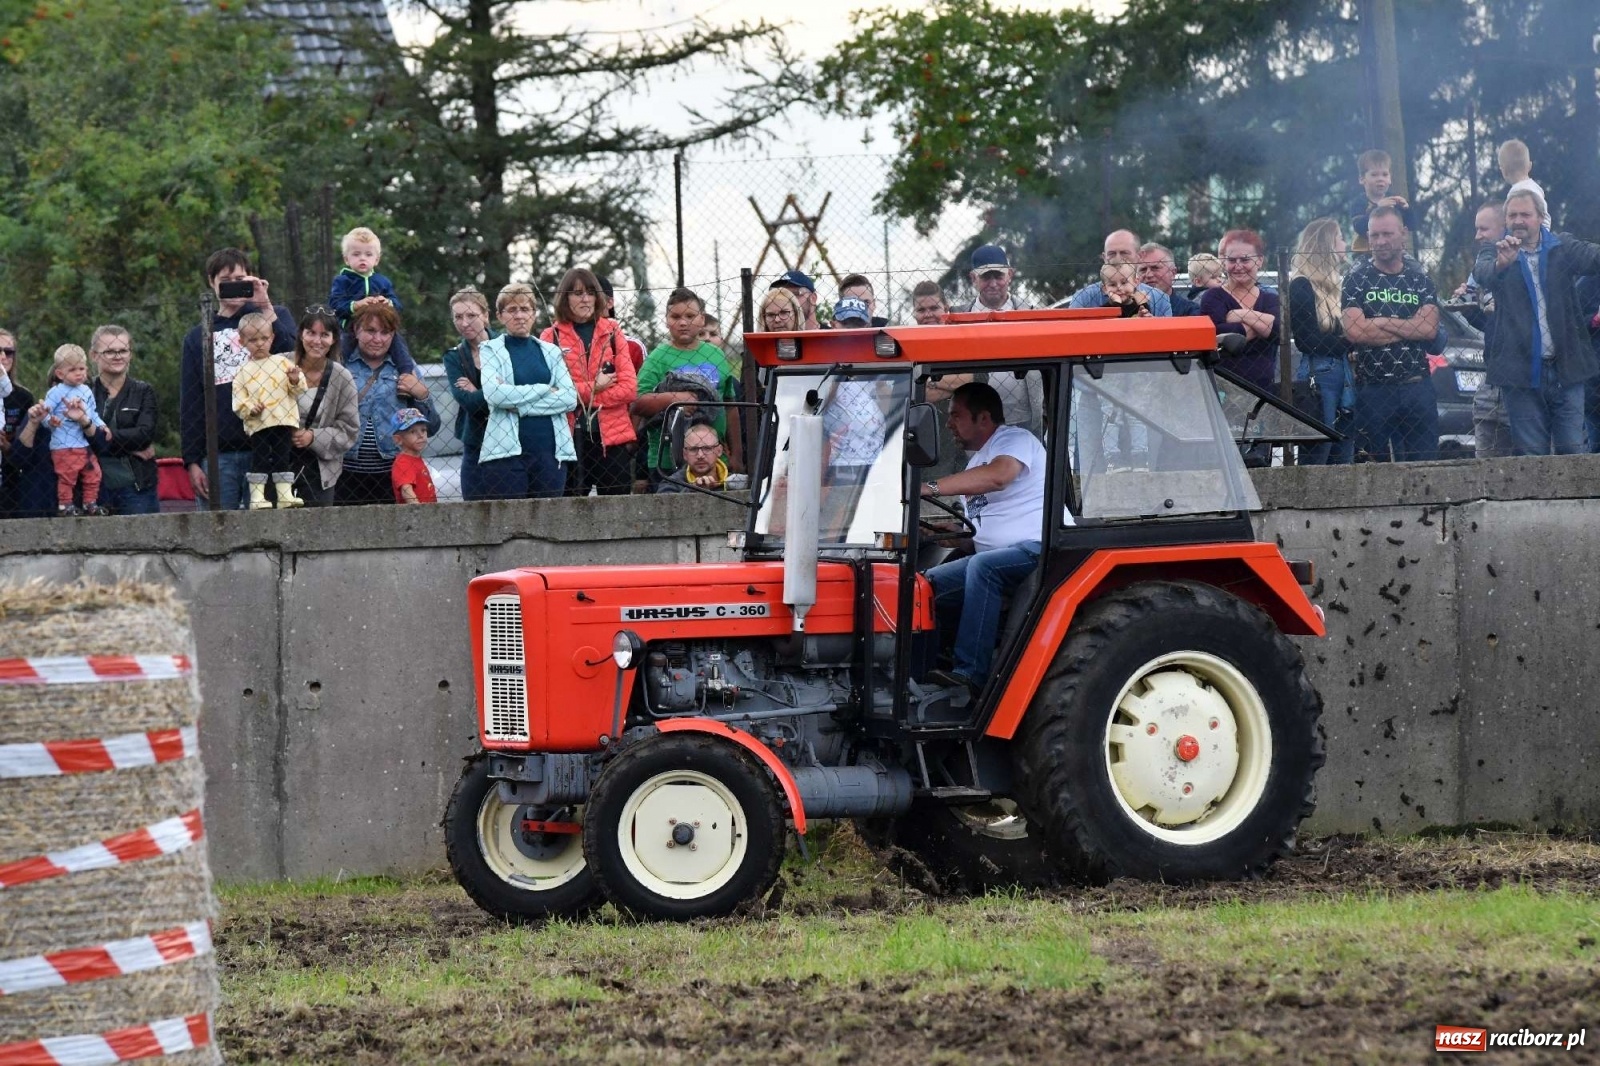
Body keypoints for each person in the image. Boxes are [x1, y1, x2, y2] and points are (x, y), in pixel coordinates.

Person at [920, 382, 1045, 694]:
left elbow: (999, 477)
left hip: (1039, 549)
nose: (948, 423)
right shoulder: (975, 464)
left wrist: (929, 488)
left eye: (956, 415)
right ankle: (919, 676)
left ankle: (970, 673)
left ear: (984, 418)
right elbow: (984, 529)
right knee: (923, 586)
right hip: (997, 557)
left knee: (983, 567)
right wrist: (953, 536)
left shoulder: (1014, 440)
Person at [1472, 188, 1600, 456]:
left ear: (1541, 217)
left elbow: (1592, 257)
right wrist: (1501, 264)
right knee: (1532, 455)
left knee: (1573, 450)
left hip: (1566, 369)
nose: (1518, 220)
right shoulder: (1495, 250)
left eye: (1525, 214)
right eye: (1512, 215)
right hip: (1521, 373)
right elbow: (1482, 273)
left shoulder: (1561, 246)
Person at [180, 248, 297, 510]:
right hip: (219, 453)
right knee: (217, 525)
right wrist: (192, 461)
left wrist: (264, 306)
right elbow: (191, 400)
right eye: (226, 281)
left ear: (252, 279)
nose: (233, 287)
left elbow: (293, 356)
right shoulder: (199, 336)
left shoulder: (274, 317)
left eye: (240, 280)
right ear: (211, 282)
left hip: (268, 446)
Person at [1342, 205, 1441, 462]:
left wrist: (1379, 322)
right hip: (1374, 389)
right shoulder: (1356, 279)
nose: (1380, 241)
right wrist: (1409, 326)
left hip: (1417, 386)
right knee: (1375, 468)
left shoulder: (1419, 278)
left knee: (1425, 464)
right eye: (1374, 235)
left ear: (1403, 233)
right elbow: (1355, 332)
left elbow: (1429, 329)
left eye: (1387, 234)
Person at [475, 283, 577, 499]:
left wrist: (519, 405)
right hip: (505, 455)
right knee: (510, 518)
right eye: (512, 310)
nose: (519, 316)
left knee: (548, 517)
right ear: (500, 316)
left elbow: (569, 398)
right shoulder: (490, 350)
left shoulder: (551, 352)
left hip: (551, 453)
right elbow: (494, 395)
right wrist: (545, 389)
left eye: (525, 309)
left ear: (534, 313)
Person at [541, 267, 637, 496]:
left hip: (612, 439)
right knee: (569, 507)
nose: (585, 299)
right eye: (577, 293)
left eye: (591, 293)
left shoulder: (612, 330)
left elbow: (629, 389)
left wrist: (577, 395)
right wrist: (597, 386)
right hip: (569, 438)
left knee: (617, 508)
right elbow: (551, 393)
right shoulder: (550, 336)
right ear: (565, 298)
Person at [633, 287, 742, 484]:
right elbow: (638, 404)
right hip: (667, 462)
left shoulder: (716, 354)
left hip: (716, 460)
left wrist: (737, 455)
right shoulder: (657, 358)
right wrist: (675, 399)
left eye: (690, 316)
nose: (683, 322)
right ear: (667, 321)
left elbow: (730, 407)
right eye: (675, 317)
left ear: (702, 319)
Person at [338, 303, 439, 505]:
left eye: (385, 332)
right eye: (370, 331)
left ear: (393, 335)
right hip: (343, 471)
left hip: (393, 474)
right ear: (356, 330)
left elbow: (433, 426)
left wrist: (421, 394)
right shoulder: (341, 364)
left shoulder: (406, 367)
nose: (378, 339)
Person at [1288, 218, 1356, 465]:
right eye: (1341, 238)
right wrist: (1350, 342)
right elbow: (1307, 340)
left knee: (1344, 452)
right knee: (1318, 451)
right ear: (1327, 245)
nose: (1345, 244)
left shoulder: (1339, 285)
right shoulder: (1301, 284)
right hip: (1319, 373)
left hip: (1344, 371)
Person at [1452, 203, 1512, 459]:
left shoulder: (1522, 263)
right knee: (1486, 455)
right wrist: (1469, 307)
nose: (1478, 236)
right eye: (1476, 229)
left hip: (1523, 378)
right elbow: (1491, 324)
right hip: (1492, 375)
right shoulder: (1482, 263)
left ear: (1504, 227)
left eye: (1484, 229)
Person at [231, 312, 307, 509]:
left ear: (272, 338)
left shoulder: (283, 363)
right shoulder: (242, 372)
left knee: (283, 458)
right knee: (260, 459)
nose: (259, 343)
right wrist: (250, 407)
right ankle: (257, 498)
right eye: (253, 340)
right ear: (241, 341)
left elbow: (298, 390)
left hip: (283, 421)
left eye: (264, 338)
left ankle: (284, 495)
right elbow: (238, 400)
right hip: (259, 424)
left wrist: (294, 379)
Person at [288, 307, 359, 506]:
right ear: (301, 334)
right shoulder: (279, 365)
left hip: (319, 471)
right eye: (311, 333)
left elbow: (349, 430)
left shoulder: (342, 377)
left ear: (334, 339)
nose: (317, 341)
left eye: (324, 335)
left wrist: (313, 437)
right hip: (277, 463)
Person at [87, 325, 160, 514]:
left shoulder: (143, 391)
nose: (118, 356)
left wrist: (101, 439)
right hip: (92, 489)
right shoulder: (83, 391)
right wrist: (128, 445)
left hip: (136, 489)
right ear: (94, 355)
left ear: (130, 354)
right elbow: (75, 437)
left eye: (123, 350)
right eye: (110, 351)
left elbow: (144, 435)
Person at [1201, 228, 1281, 392]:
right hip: (1225, 388)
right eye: (1231, 260)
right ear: (1223, 262)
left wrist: (1239, 314)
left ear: (1259, 261)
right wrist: (1262, 325)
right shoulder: (1213, 297)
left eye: (1245, 260)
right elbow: (1217, 335)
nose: (1238, 266)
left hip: (1265, 391)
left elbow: (1279, 331)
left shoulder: (1271, 298)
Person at [329, 226, 416, 370]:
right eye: (356, 254)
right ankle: (334, 375)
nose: (362, 258)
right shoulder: (342, 281)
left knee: (399, 345)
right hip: (349, 328)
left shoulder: (383, 281)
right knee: (341, 350)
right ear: (346, 259)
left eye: (368, 254)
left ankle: (406, 373)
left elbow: (398, 305)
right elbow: (334, 305)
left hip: (380, 328)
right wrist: (356, 305)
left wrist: (388, 303)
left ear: (376, 260)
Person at [443, 288, 498, 500]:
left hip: (511, 440)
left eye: (471, 315)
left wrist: (478, 391)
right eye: (458, 317)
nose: (464, 323)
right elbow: (468, 402)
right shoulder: (454, 357)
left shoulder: (506, 345)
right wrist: (497, 391)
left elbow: (519, 393)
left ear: (485, 315)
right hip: (475, 443)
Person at [43, 345, 110, 516]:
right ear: (60, 374)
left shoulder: (86, 390)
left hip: (84, 444)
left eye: (82, 368)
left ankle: (90, 503)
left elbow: (92, 413)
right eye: (72, 370)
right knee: (67, 477)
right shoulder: (55, 392)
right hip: (64, 445)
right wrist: (51, 421)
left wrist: (102, 425)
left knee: (94, 474)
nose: (79, 373)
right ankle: (65, 506)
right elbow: (44, 414)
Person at [1067, 231, 1174, 315]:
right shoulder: (1083, 298)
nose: (1118, 258)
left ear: (1139, 256)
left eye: (1124, 253)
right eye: (1112, 253)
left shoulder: (1159, 298)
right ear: (1104, 257)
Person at [1347, 148, 1416, 254]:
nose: (1380, 179)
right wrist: (1377, 208)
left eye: (1385, 174)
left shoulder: (1394, 201)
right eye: (1374, 175)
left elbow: (1411, 225)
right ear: (1362, 179)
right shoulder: (1359, 203)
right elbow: (1360, 228)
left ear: (1390, 179)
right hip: (1365, 253)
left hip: (1394, 252)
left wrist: (1406, 209)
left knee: (1412, 264)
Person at [955, 244, 1032, 313]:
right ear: (974, 278)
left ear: (1009, 275)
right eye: (986, 277)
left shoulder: (1030, 313)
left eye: (998, 277)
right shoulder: (956, 316)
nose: (993, 284)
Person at [654, 421, 728, 492]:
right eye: (693, 449)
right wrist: (692, 491)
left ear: (719, 451)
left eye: (707, 448)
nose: (700, 455)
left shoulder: (733, 480)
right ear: (685, 454)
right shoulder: (672, 483)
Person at [1136, 243, 1203, 316]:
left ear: (1173, 273)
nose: (1149, 275)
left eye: (1155, 268)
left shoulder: (1190, 311)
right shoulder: (1129, 309)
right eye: (1143, 270)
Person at [596, 276, 647, 371]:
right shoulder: (571, 345)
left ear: (609, 302)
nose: (586, 300)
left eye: (593, 295)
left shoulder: (633, 347)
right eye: (579, 294)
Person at [1497, 138, 1549, 226]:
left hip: (1530, 232)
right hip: (1543, 229)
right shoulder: (1536, 188)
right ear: (1530, 166)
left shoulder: (1516, 193)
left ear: (1503, 171)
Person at [390, 408, 437, 504]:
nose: (420, 435)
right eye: (413, 432)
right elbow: (407, 492)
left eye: (423, 430)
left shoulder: (414, 458)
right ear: (398, 439)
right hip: (416, 512)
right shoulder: (403, 463)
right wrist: (419, 511)